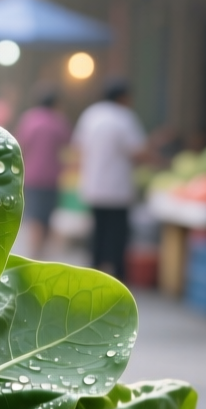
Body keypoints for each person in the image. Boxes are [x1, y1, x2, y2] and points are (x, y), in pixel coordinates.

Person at [73, 81, 148, 281]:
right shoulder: (124, 117)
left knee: (98, 231)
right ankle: (117, 276)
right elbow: (137, 151)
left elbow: (79, 146)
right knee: (117, 234)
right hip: (117, 188)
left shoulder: (90, 115)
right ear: (122, 97)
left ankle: (94, 271)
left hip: (94, 185)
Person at [14, 89, 71, 258]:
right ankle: (41, 253)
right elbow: (67, 145)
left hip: (31, 175)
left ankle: (35, 253)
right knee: (46, 216)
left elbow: (20, 145)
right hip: (52, 177)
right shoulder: (58, 121)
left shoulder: (29, 119)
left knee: (35, 216)